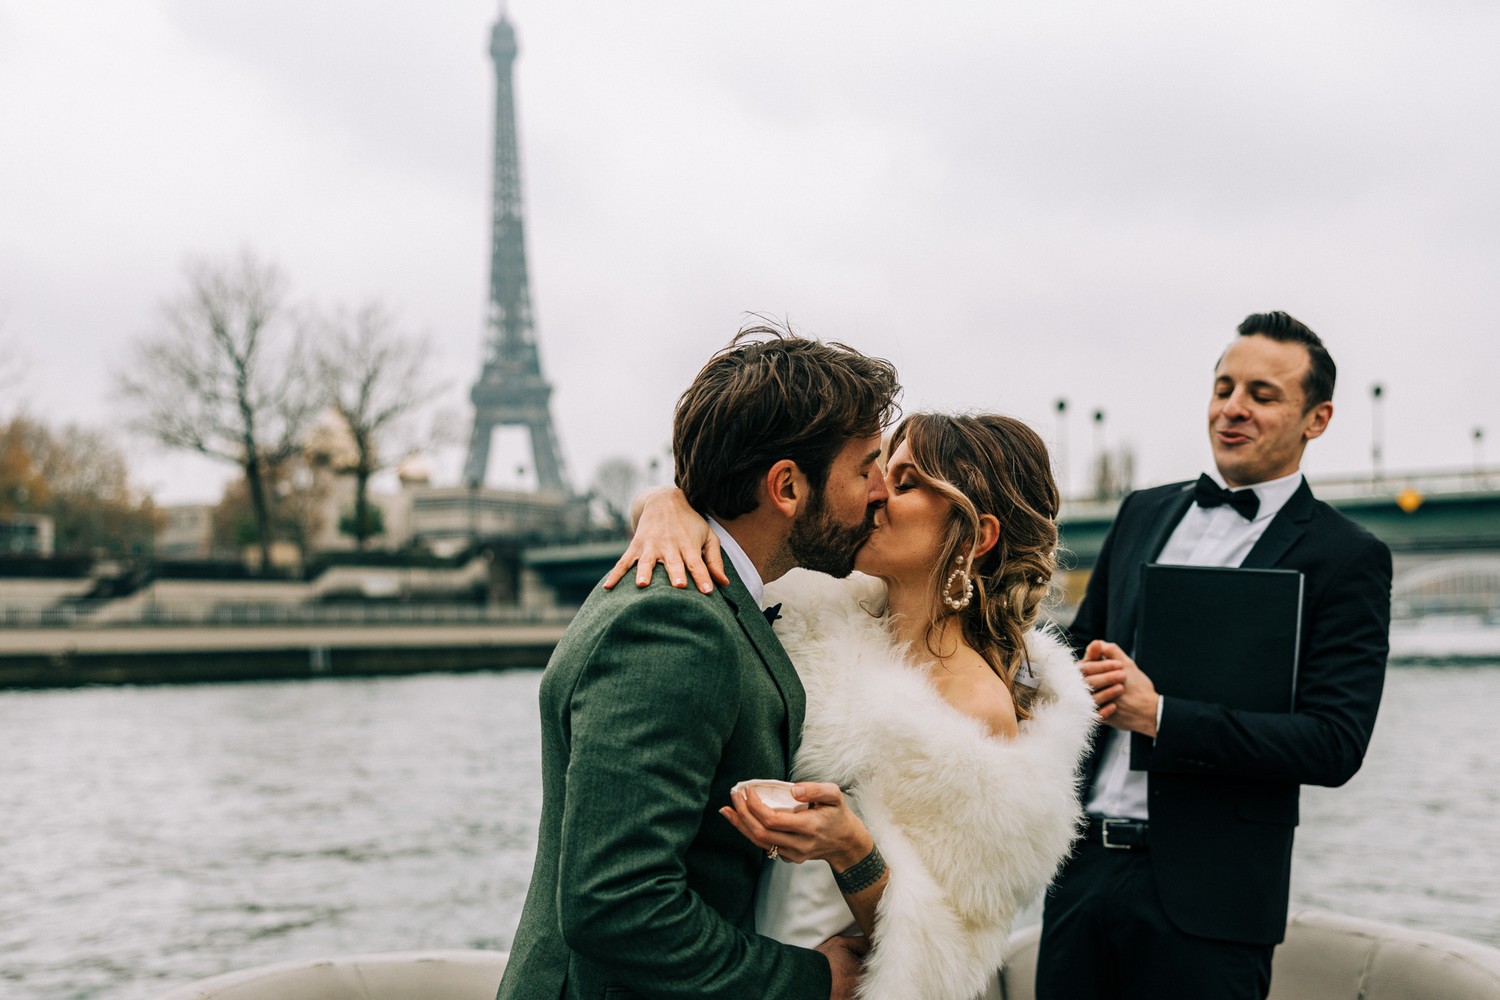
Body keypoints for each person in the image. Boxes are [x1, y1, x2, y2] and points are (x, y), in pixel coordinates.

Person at [611, 412, 1097, 1000]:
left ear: (975, 536)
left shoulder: (975, 709)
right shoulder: (818, 606)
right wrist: (666, 502)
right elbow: (719, 543)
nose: (875, 493)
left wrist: (851, 848)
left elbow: (945, 955)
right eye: (880, 471)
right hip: (732, 960)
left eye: (908, 481)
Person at [495, 327, 900, 1000]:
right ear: (787, 488)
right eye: (865, 468)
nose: (880, 490)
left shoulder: (712, 603)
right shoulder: (677, 623)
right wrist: (811, 982)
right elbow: (618, 905)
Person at [1035, 312, 1393, 1000]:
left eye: (1262, 395)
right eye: (1223, 387)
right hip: (1080, 873)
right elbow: (1077, 654)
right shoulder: (1142, 511)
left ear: (1316, 420)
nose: (1233, 408)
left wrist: (1163, 717)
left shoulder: (1348, 557)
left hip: (1214, 907)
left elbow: (1334, 744)